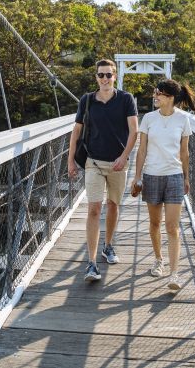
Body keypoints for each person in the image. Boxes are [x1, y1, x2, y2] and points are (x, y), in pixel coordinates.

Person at [68, 59, 138, 281]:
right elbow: (76, 132)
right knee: (94, 209)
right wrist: (71, 161)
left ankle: (108, 246)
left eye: (109, 75)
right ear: (96, 77)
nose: (105, 79)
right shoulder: (87, 100)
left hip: (118, 163)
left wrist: (124, 156)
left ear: (115, 76)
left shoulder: (126, 99)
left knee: (113, 205)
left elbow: (134, 131)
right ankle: (91, 263)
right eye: (101, 75)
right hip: (94, 163)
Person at [132, 79, 195, 291]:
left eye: (158, 93)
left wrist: (186, 177)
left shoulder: (183, 120)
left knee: (172, 226)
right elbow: (141, 150)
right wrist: (137, 176)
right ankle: (159, 260)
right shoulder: (149, 118)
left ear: (169, 97)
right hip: (151, 175)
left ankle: (174, 273)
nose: (155, 97)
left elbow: (185, 152)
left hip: (174, 176)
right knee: (155, 224)